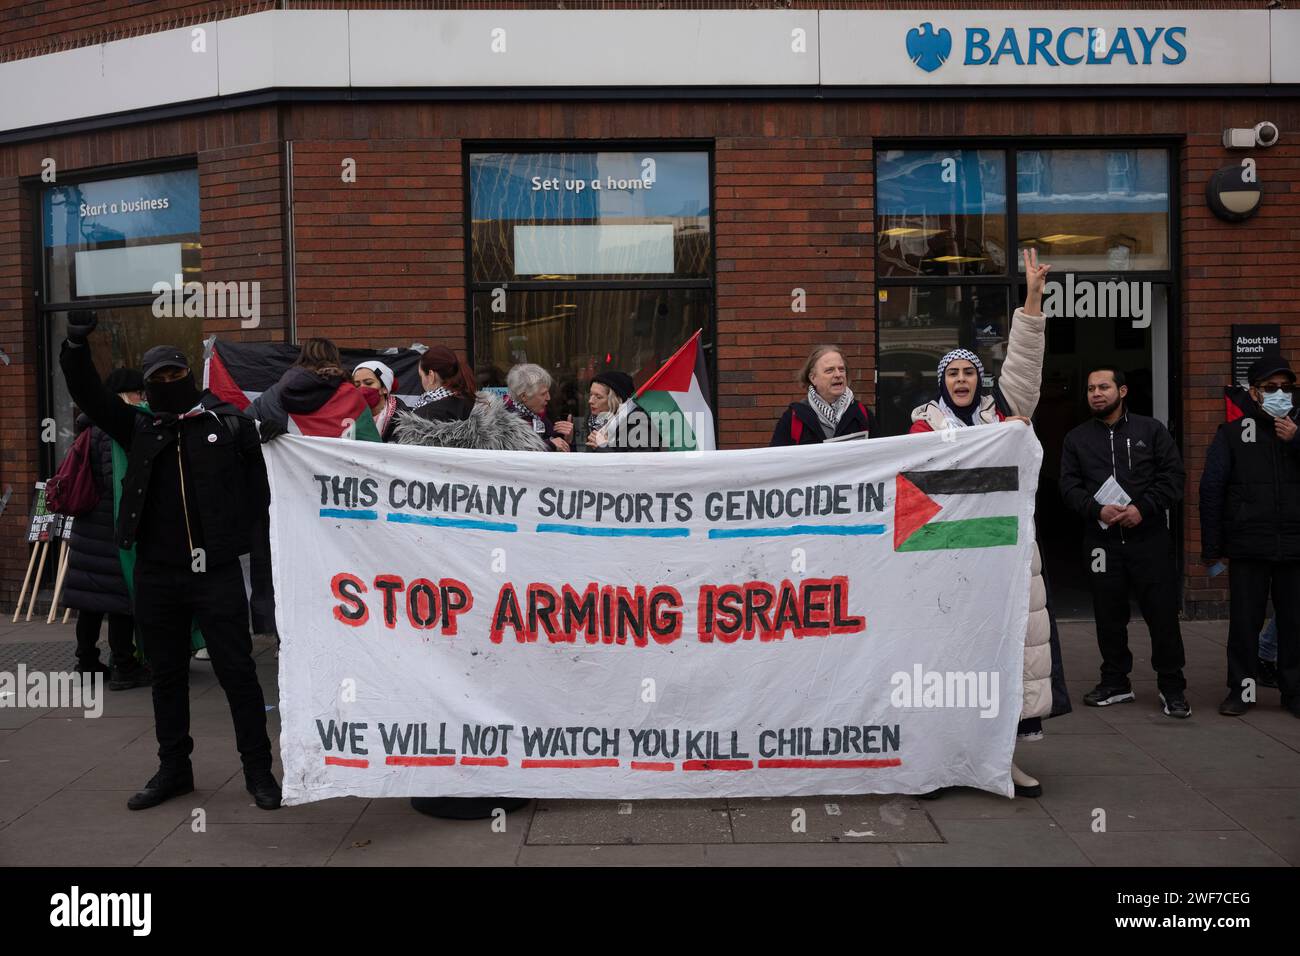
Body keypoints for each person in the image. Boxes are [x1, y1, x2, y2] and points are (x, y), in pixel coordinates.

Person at [59, 311, 281, 812]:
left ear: (189, 377)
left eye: (175, 375)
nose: (166, 384)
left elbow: (273, 472)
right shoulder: (135, 427)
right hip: (157, 573)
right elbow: (89, 392)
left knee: (238, 673)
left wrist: (273, 431)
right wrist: (76, 345)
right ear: (146, 386)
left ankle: (259, 771)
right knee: (166, 675)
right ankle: (174, 768)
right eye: (156, 379)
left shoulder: (226, 423)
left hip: (216, 572)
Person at [910, 248, 1057, 799]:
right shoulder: (923, 424)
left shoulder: (1005, 411)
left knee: (1005, 657)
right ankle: (942, 761)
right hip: (949, 559)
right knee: (951, 658)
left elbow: (1024, 363)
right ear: (941, 382)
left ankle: (1003, 759)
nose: (963, 379)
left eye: (971, 371)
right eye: (953, 372)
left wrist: (1033, 300)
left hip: (1005, 556)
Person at [1060, 366, 1189, 719]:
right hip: (1102, 543)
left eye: (1104, 387)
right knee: (1108, 615)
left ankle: (1172, 686)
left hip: (1148, 538)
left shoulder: (1151, 430)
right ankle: (1116, 682)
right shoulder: (1077, 439)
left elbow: (1173, 478)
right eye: (1090, 388)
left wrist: (1142, 509)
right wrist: (1096, 510)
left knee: (1162, 615)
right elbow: (1068, 487)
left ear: (1123, 391)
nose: (1096, 394)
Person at [1199, 355, 1300, 718]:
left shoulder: (1297, 429)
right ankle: (1242, 691)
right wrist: (1213, 548)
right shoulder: (1233, 433)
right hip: (1248, 545)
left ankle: (1293, 693)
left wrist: (1296, 440)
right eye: (1271, 388)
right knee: (1244, 625)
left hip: (1294, 545)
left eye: (1286, 388)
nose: (1280, 394)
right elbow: (1211, 488)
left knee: (1294, 624)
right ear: (1255, 393)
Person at [64, 367, 151, 691]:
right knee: (120, 600)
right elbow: (120, 481)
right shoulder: (114, 430)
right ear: (122, 396)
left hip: (88, 527)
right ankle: (124, 666)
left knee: (90, 600)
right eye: (137, 393)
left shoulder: (88, 428)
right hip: (109, 527)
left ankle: (86, 661)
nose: (142, 399)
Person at [250, 337, 380, 441]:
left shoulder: (275, 394)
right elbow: (373, 449)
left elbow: (241, 426)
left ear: (302, 357)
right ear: (335, 359)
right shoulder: (352, 395)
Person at [769, 346, 875, 445]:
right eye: (829, 370)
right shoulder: (793, 418)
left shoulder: (862, 413)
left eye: (841, 369)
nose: (838, 375)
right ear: (813, 378)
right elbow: (777, 460)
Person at [504, 363, 573, 452]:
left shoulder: (542, 418)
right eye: (543, 394)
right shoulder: (503, 423)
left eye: (548, 392)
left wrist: (567, 441)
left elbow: (561, 460)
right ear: (524, 396)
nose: (549, 398)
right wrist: (550, 445)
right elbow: (517, 458)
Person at [410, 346, 477, 423]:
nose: (421, 380)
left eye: (421, 376)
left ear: (431, 376)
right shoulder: (474, 403)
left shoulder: (422, 416)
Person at [351, 360, 408, 442]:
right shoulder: (347, 414)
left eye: (368, 383)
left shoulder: (403, 421)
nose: (362, 388)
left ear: (384, 388)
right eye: (357, 385)